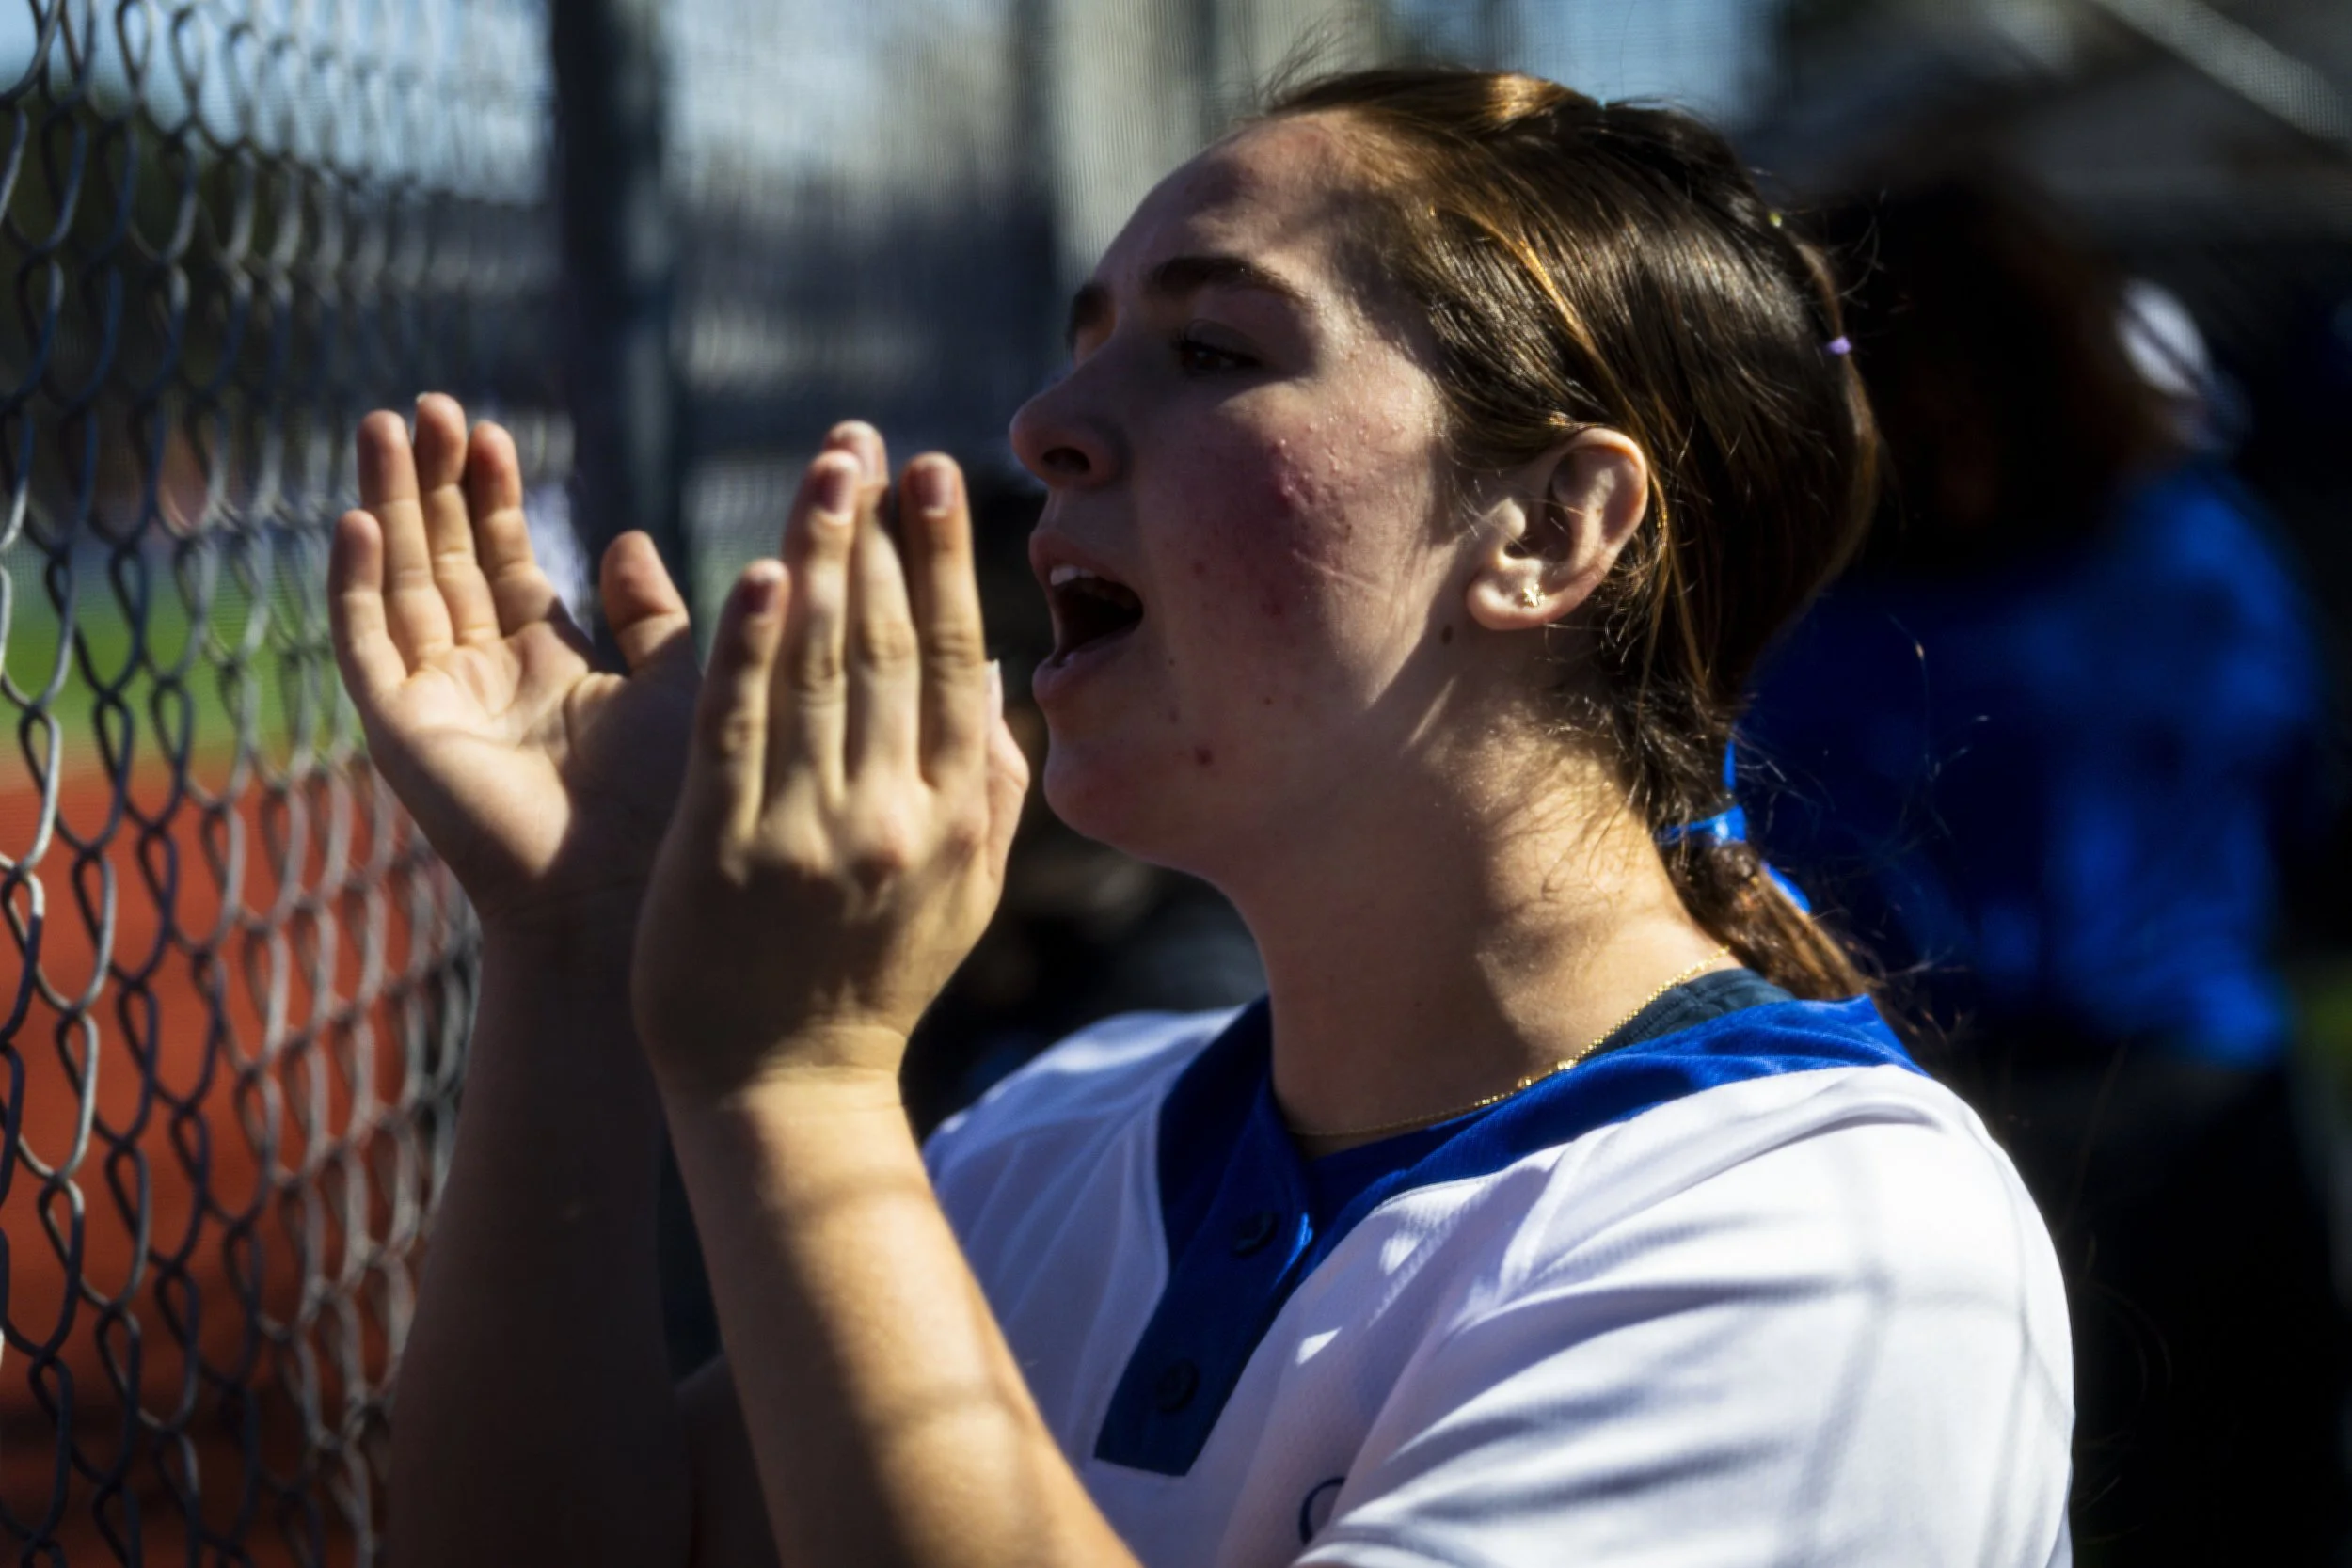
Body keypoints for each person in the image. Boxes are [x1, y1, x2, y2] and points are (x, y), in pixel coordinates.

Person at [334, 68, 2072, 1568]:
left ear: (1548, 528)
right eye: (1088, 346)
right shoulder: (1055, 1140)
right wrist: (577, 937)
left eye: (1214, 347)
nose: (1046, 428)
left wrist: (796, 1081)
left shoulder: (1823, 1243)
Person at [1742, 177, 2340, 1564]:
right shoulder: (2202, 554)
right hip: (2192, 1104)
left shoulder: (1811, 615)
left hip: (1947, 1122)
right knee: (2247, 1509)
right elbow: (2298, 800)